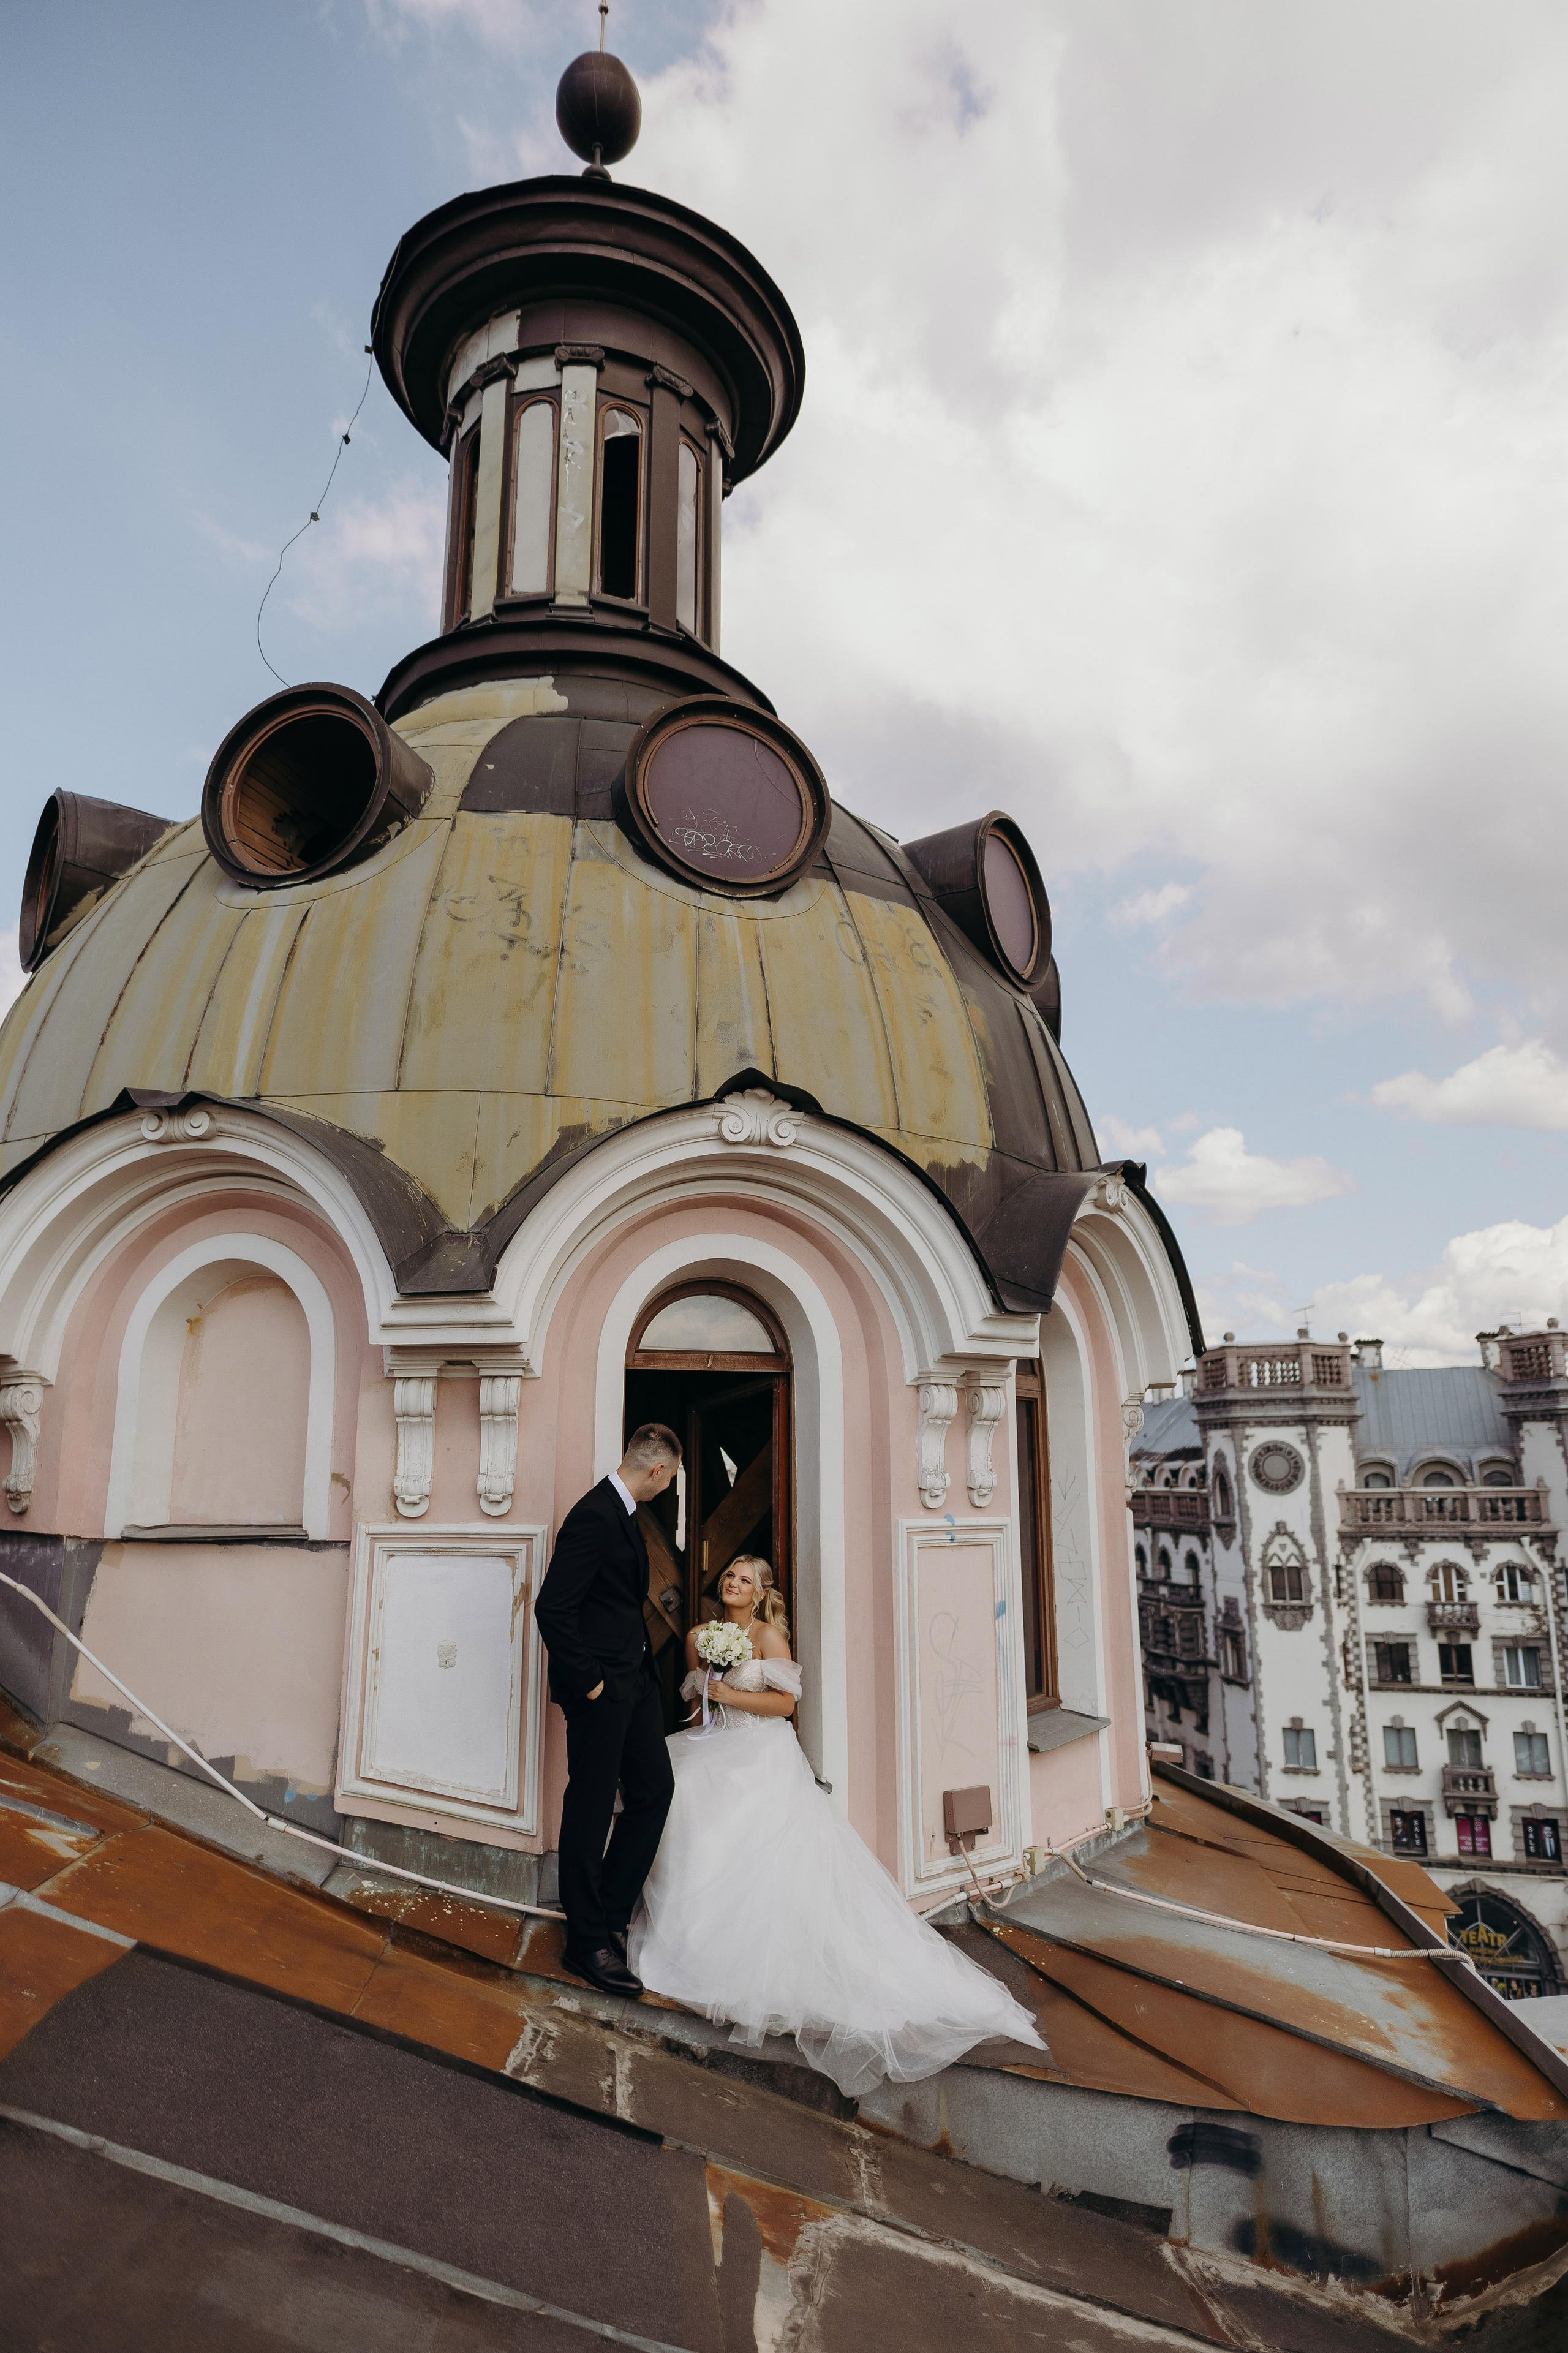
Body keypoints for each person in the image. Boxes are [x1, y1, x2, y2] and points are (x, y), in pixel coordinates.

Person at [630, 1554, 1047, 2098]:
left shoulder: (770, 1636)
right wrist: (706, 1708)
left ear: (760, 1593)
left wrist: (731, 1694)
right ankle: (688, 1938)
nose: (732, 1582)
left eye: (744, 1579)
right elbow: (694, 1701)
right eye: (729, 1575)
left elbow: (785, 1704)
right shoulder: (698, 1635)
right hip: (718, 1741)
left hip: (761, 1750)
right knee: (679, 1789)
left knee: (745, 1834)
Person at [534, 1424, 682, 1997]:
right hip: (601, 1689)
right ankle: (585, 1941)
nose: (668, 1487)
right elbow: (553, 1607)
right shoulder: (594, 1515)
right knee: (591, 1807)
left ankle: (612, 1914)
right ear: (657, 1471)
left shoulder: (625, 1513)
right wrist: (591, 1681)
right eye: (671, 1478)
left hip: (636, 1683)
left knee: (654, 1789)